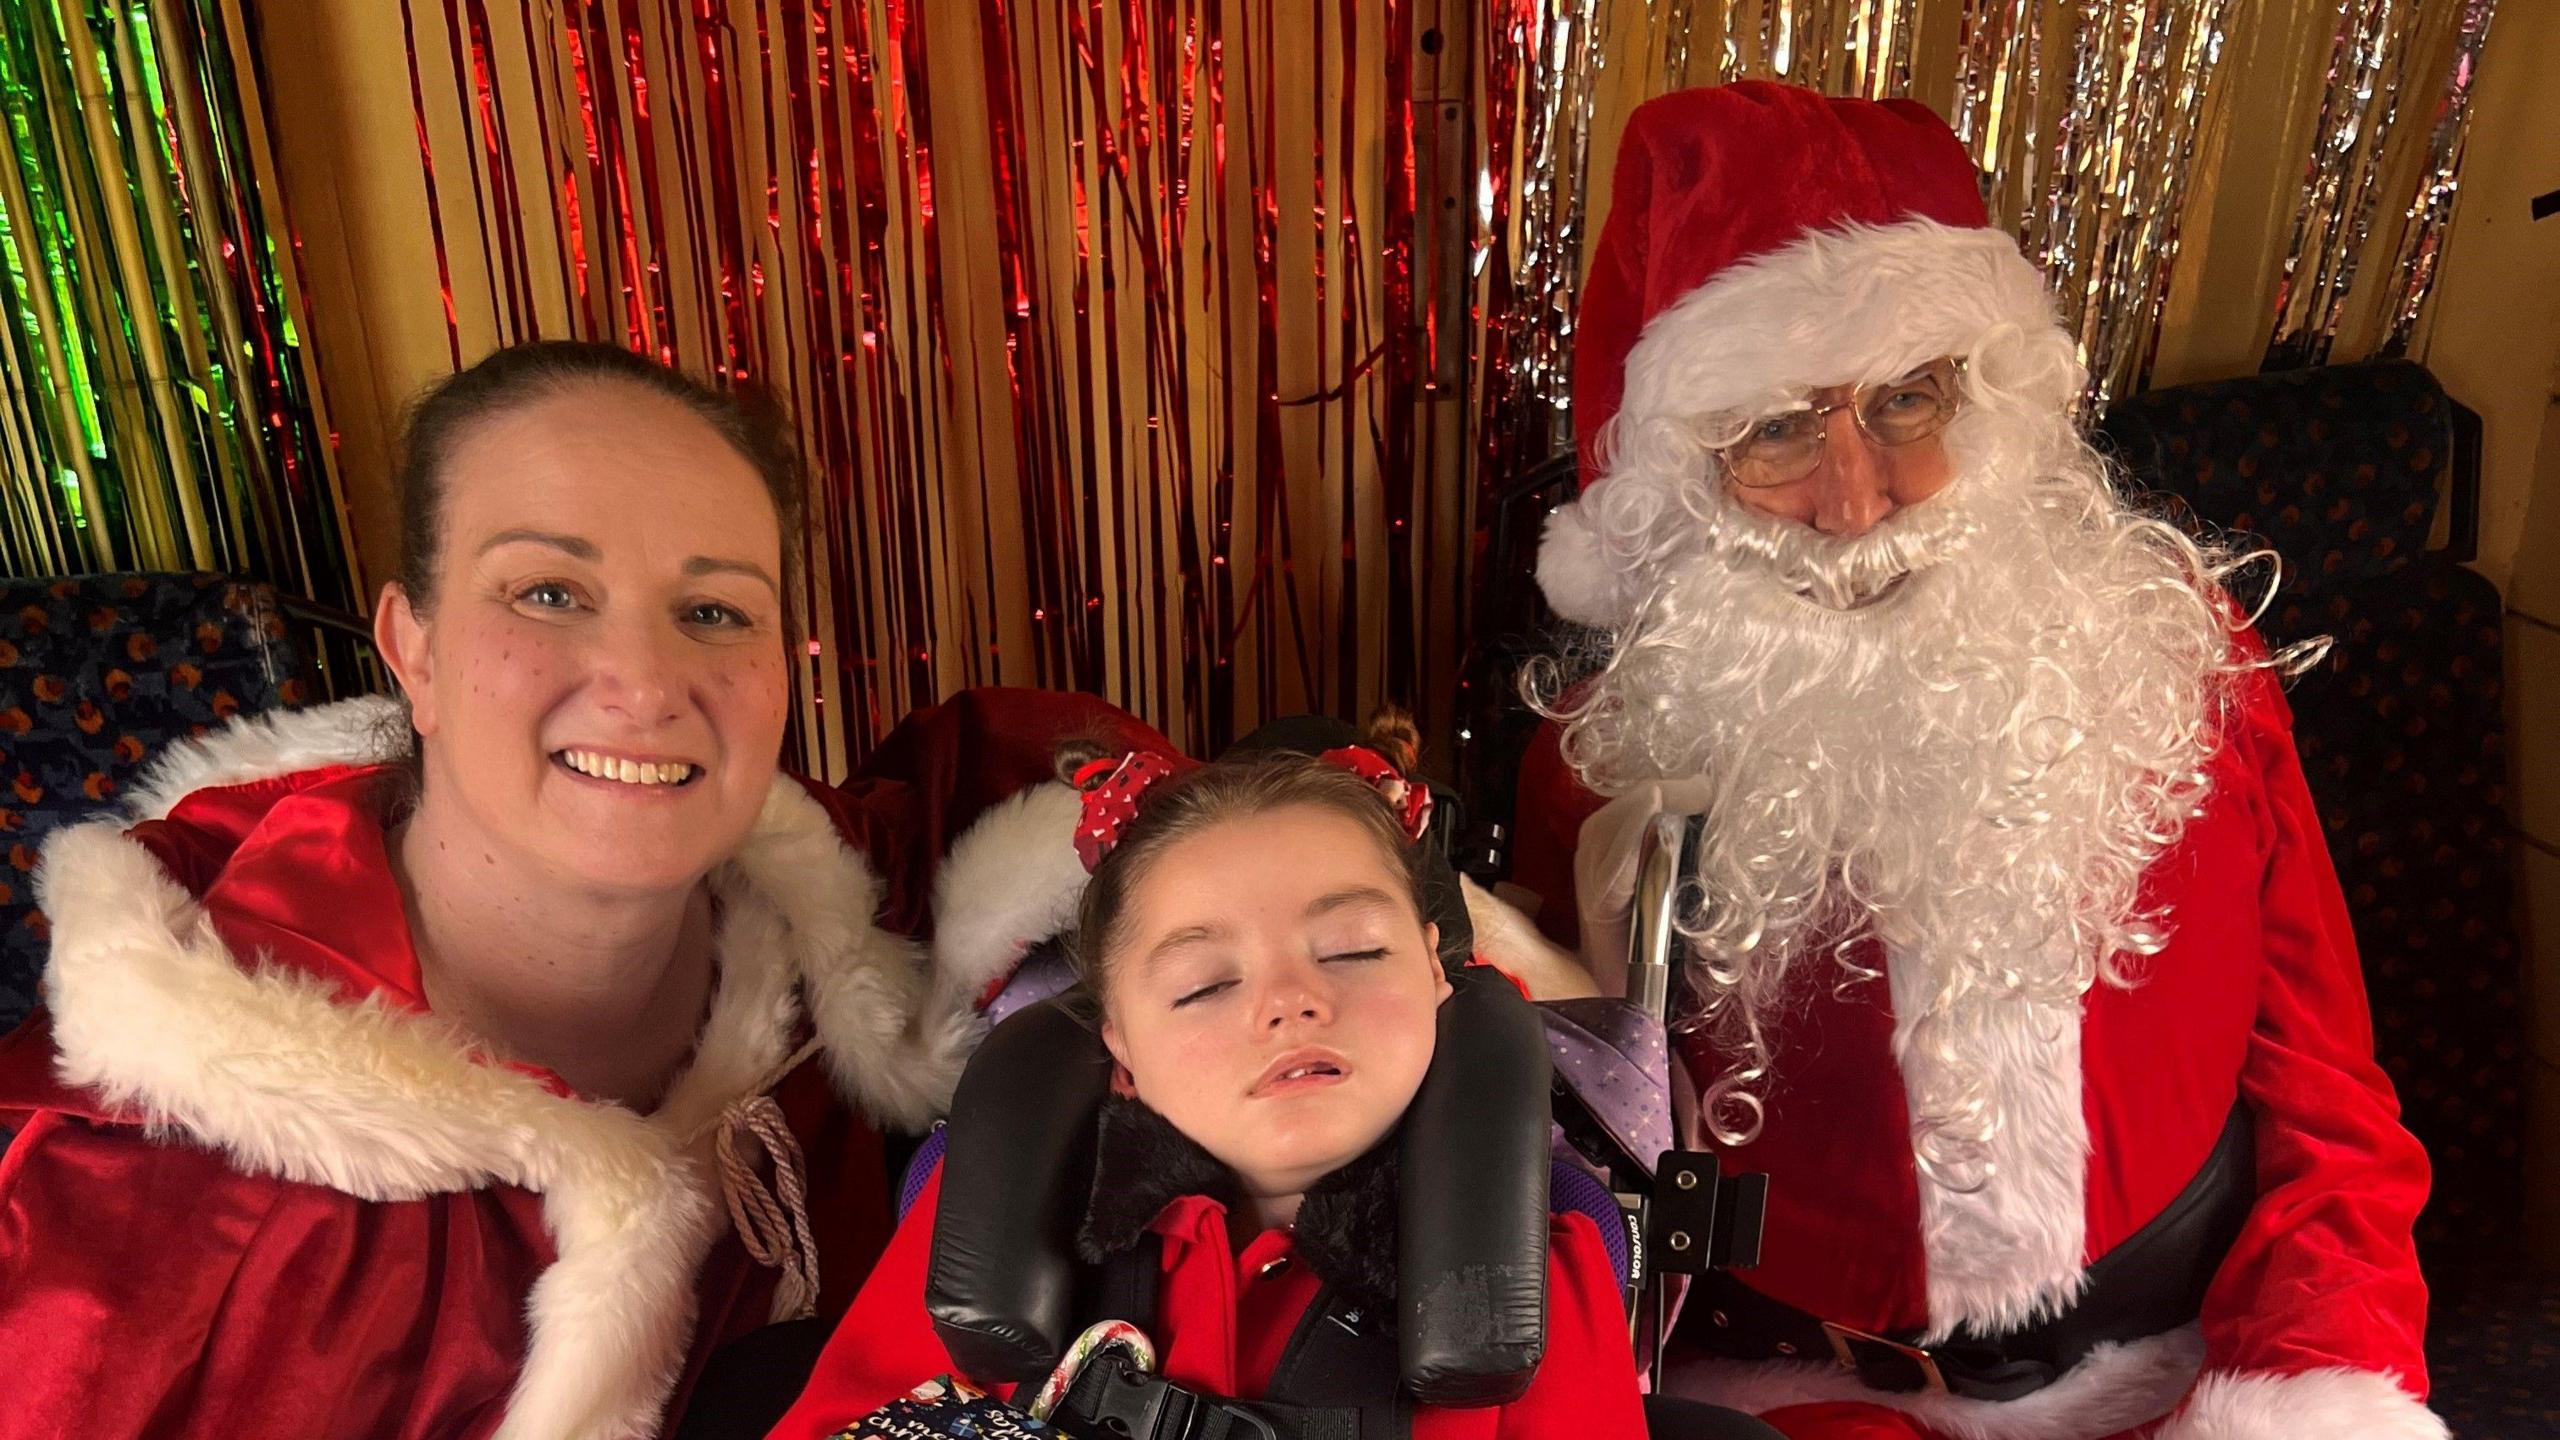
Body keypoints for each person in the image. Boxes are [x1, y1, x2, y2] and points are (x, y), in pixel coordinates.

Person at [1505, 84, 2438, 1440]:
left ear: (1992, 400)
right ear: (1683, 475)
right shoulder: (1602, 759)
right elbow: (1566, 1175)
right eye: (1773, 431)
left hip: (2183, 1385)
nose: (1855, 496)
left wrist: (2316, 1382)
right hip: (1785, 1405)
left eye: (1906, 397)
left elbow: (2327, 1100)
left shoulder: (2180, 659)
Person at [0, 342, 1028, 1439]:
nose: (643, 683)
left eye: (717, 612)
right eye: (548, 592)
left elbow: (1057, 806)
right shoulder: (111, 1213)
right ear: (416, 651)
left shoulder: (830, 920)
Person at [769, 715, 1651, 1439]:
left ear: (1433, 972)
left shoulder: (1538, 1286)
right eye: (1206, 986)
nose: (1291, 1001)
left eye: (1351, 949)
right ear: (1119, 1043)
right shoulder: (987, 1217)